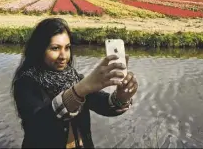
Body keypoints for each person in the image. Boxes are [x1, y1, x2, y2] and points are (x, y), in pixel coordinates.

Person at [11, 18, 138, 148]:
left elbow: (102, 104)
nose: (63, 56)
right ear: (40, 50)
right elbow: (39, 124)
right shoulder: (26, 83)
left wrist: (121, 97)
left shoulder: (74, 78)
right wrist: (80, 90)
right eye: (55, 48)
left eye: (67, 48)